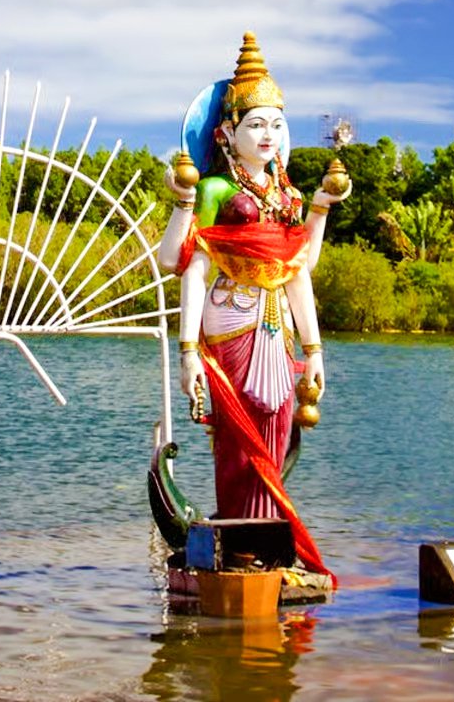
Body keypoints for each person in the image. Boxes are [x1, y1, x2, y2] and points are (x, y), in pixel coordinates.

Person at [157, 33, 348, 573]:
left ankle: (267, 548)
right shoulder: (216, 191)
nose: (268, 135)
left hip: (278, 332)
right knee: (238, 443)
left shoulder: (286, 198)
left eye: (276, 125)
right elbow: (183, 263)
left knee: (278, 428)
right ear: (227, 132)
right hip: (229, 329)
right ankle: (242, 547)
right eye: (256, 125)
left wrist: (314, 350)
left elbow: (299, 272)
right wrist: (188, 351)